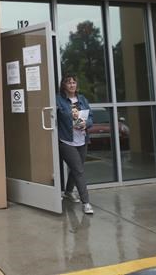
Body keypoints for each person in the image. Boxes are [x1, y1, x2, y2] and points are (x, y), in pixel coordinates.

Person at [56, 74, 94, 214]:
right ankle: (86, 203)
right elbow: (55, 116)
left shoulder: (82, 99)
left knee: (76, 168)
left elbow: (91, 117)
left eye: (74, 82)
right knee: (78, 170)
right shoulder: (58, 99)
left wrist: (86, 123)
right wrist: (70, 116)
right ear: (64, 85)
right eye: (69, 83)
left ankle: (68, 191)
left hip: (82, 139)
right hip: (66, 140)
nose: (72, 85)